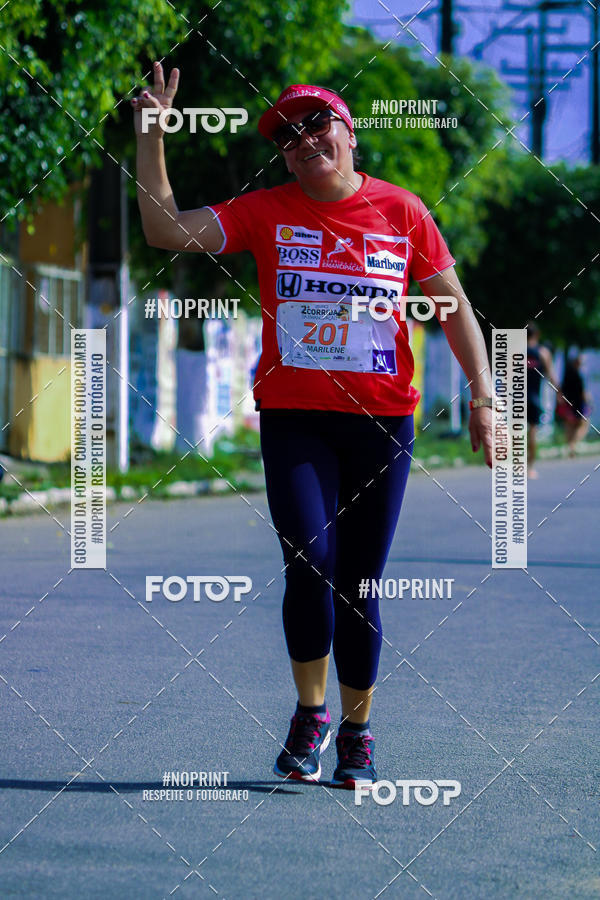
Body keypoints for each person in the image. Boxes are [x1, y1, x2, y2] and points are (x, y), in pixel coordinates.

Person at [132, 67, 493, 788]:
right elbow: (165, 229)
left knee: (359, 580)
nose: (302, 142)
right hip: (295, 420)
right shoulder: (267, 210)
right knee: (310, 561)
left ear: (350, 134)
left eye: (316, 126)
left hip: (382, 425)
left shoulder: (404, 212)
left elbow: (452, 306)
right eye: (289, 137)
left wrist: (486, 398)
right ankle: (310, 712)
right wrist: (151, 136)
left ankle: (358, 732)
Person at [526, 323, 557, 479]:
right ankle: (529, 468)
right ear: (536, 335)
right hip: (534, 397)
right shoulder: (543, 353)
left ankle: (515, 465)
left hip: (517, 397)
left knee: (515, 432)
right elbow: (551, 375)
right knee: (532, 433)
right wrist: (559, 393)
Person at [556, 353, 591, 456]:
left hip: (567, 403)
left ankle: (570, 447)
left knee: (569, 426)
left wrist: (559, 399)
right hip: (578, 403)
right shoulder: (579, 375)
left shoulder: (566, 374)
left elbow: (560, 388)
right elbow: (582, 392)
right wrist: (588, 402)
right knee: (583, 424)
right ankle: (572, 446)